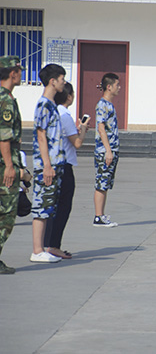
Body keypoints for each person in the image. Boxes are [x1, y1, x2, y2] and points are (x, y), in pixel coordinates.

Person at [44, 82, 88, 259]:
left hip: (52, 163)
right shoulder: (65, 115)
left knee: (50, 206)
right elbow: (77, 143)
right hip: (64, 165)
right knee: (63, 206)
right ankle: (54, 245)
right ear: (69, 97)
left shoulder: (51, 111)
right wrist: (83, 130)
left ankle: (46, 243)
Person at [30, 64, 66, 263]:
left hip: (55, 163)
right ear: (53, 80)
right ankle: (37, 250)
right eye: (62, 78)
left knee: (48, 206)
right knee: (41, 206)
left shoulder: (51, 104)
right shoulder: (43, 104)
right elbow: (41, 136)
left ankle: (41, 249)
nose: (64, 82)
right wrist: (46, 165)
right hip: (47, 164)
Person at [0, 57, 23, 274]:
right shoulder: (5, 100)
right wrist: (9, 166)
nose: (21, 74)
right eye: (19, 70)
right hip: (3, 166)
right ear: (12, 73)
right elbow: (4, 137)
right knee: (6, 215)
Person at [93, 73, 121, 227]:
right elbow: (101, 128)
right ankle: (98, 216)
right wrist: (108, 151)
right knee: (101, 183)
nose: (119, 88)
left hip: (111, 149)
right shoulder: (102, 105)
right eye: (117, 85)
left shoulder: (109, 105)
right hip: (105, 151)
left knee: (106, 183)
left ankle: (101, 215)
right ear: (109, 87)